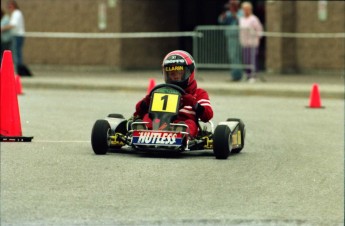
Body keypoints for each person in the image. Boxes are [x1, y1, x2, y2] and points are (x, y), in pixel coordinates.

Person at [133, 50, 213, 137]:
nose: (175, 76)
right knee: (148, 117)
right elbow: (138, 111)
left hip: (182, 124)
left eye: (179, 72)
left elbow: (208, 115)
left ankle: (180, 134)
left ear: (189, 72)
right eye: (171, 73)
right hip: (159, 123)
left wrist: (193, 103)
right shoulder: (161, 91)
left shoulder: (198, 93)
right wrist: (147, 101)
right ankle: (142, 131)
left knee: (189, 123)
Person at [218, 0, 243, 81]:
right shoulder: (228, 13)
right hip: (230, 36)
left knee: (236, 56)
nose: (231, 6)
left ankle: (237, 75)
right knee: (232, 56)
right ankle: (235, 75)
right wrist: (224, 15)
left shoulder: (241, 12)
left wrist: (234, 13)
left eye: (233, 5)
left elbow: (241, 21)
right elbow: (221, 20)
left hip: (238, 37)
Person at [239, 1, 263, 83]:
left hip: (253, 43)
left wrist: (258, 37)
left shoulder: (254, 19)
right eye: (244, 9)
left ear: (250, 9)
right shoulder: (241, 19)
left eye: (247, 9)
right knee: (246, 60)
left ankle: (253, 75)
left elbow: (259, 29)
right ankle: (247, 74)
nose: (245, 11)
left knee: (252, 59)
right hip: (244, 42)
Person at [1, 0, 25, 72]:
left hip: (17, 35)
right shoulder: (15, 13)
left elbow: (13, 25)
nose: (9, 8)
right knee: (16, 53)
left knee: (16, 53)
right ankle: (19, 69)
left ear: (13, 6)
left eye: (10, 6)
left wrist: (2, 28)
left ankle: (19, 70)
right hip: (17, 35)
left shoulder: (16, 13)